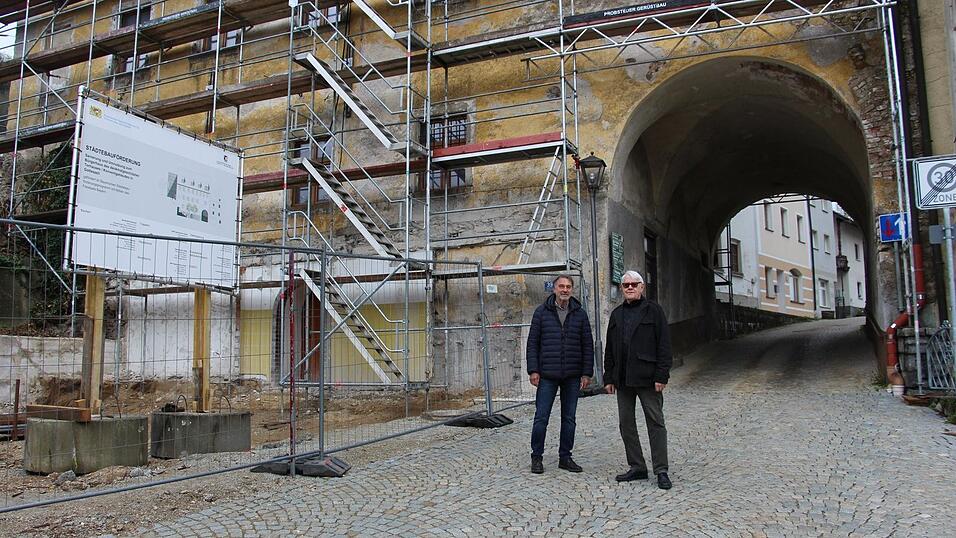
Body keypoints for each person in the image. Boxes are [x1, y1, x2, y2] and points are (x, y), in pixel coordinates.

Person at [603, 270, 673, 490]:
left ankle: (661, 470)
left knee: (655, 423)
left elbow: (664, 345)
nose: (630, 288)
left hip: (648, 378)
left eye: (634, 284)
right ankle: (637, 466)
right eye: (626, 285)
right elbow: (610, 349)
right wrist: (609, 377)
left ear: (642, 287)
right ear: (622, 289)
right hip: (623, 379)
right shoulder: (616, 314)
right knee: (626, 424)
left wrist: (662, 374)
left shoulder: (654, 311)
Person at [526, 274, 594, 474]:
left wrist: (586, 373)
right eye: (561, 286)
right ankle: (536, 457)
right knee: (541, 417)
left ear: (572, 290)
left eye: (568, 287)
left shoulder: (579, 314)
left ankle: (565, 457)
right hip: (547, 374)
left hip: (572, 375)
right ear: (554, 289)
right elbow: (532, 343)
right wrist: (533, 369)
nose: (565, 290)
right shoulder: (541, 312)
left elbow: (587, 345)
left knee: (569, 418)